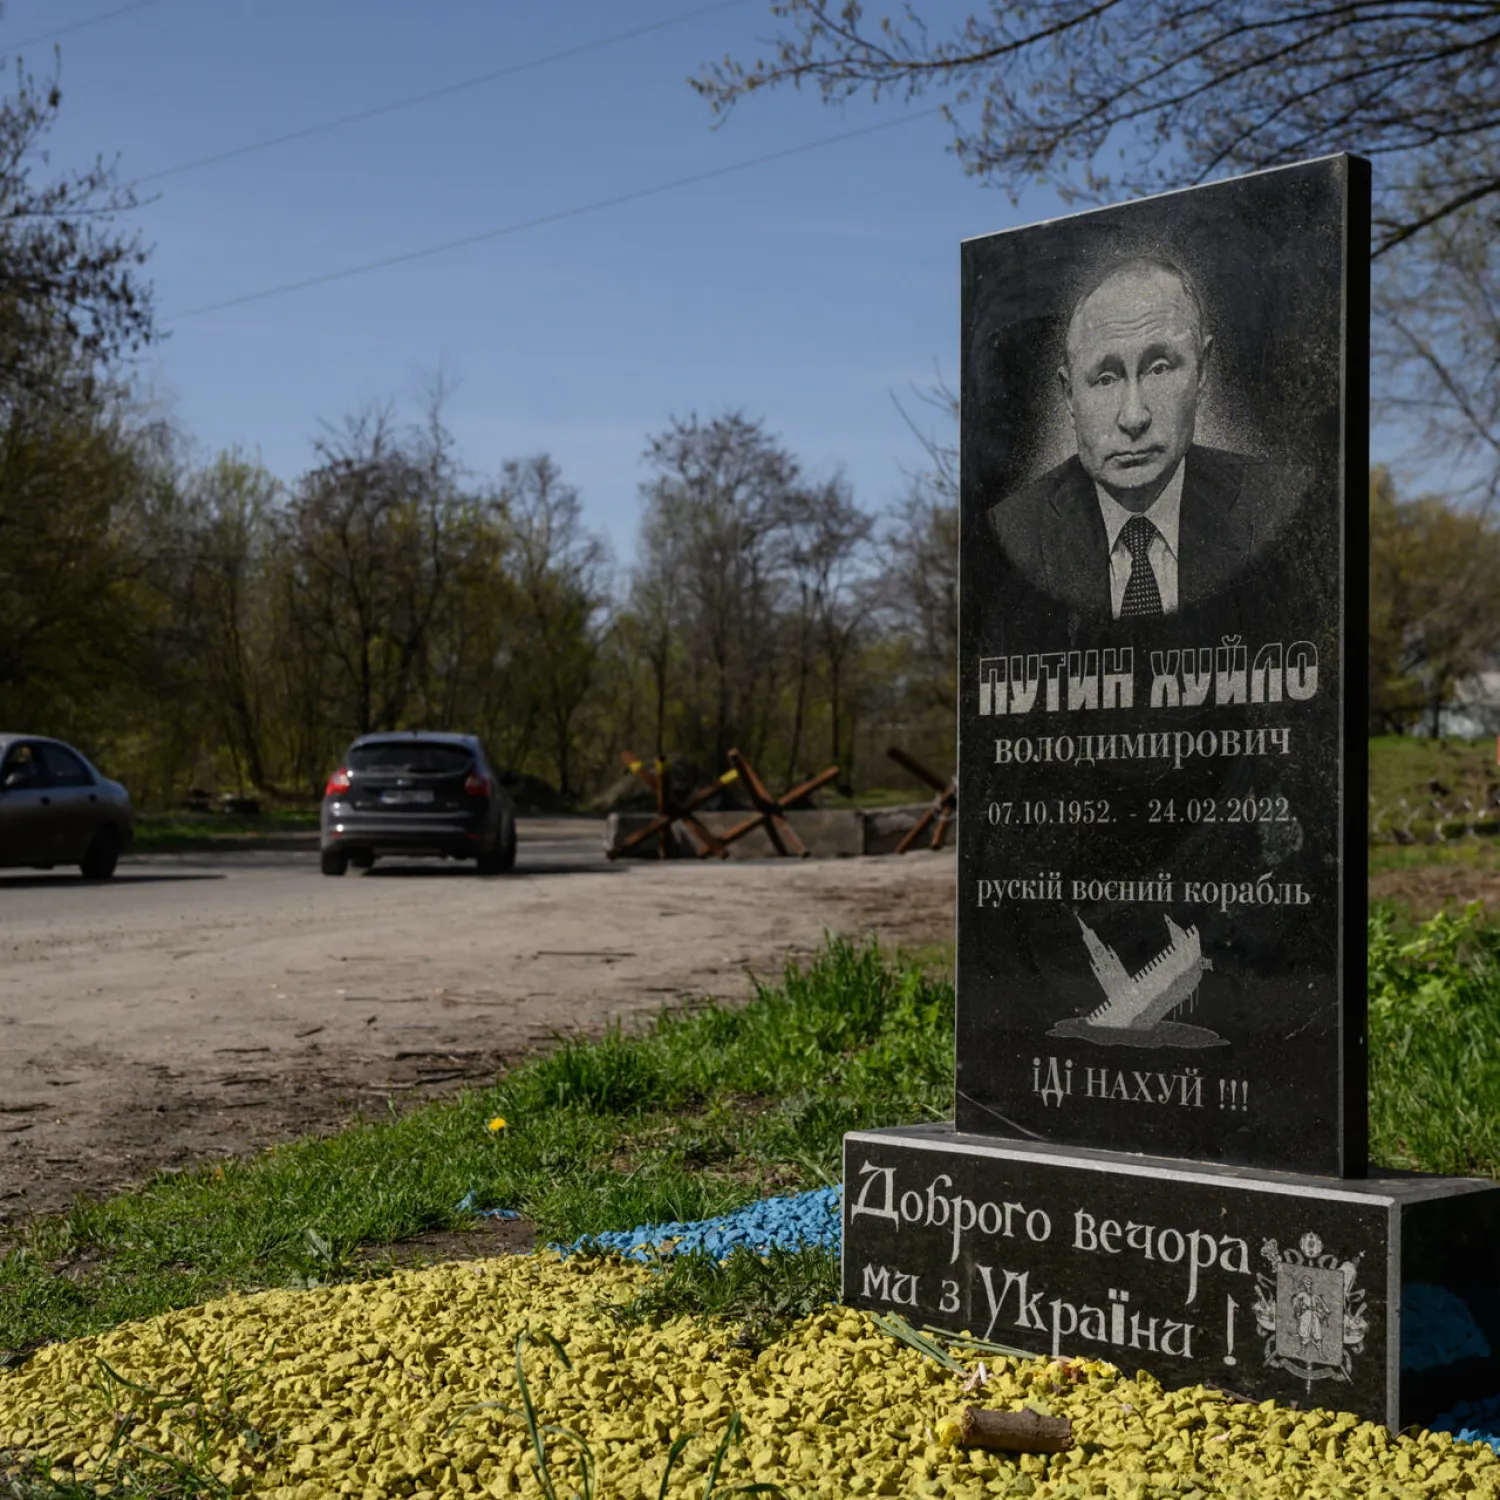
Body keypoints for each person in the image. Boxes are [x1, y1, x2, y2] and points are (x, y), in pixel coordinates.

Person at [986, 256, 1305, 623]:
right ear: (1069, 393)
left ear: (1201, 370)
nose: (1134, 417)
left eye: (1160, 368)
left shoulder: (1278, 506)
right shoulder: (1011, 532)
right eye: (1105, 378)